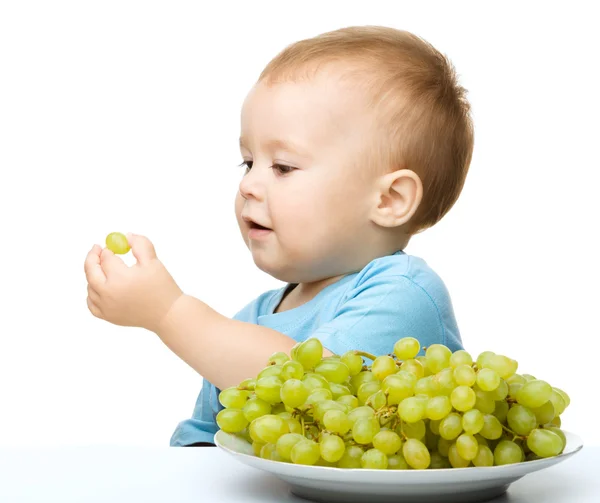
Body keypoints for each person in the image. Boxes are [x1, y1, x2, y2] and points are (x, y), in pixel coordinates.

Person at [83, 25, 474, 447]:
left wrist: (169, 313)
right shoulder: (254, 319)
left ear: (389, 199)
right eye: (247, 162)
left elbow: (313, 390)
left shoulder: (403, 294)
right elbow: (206, 439)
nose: (249, 184)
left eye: (283, 167)